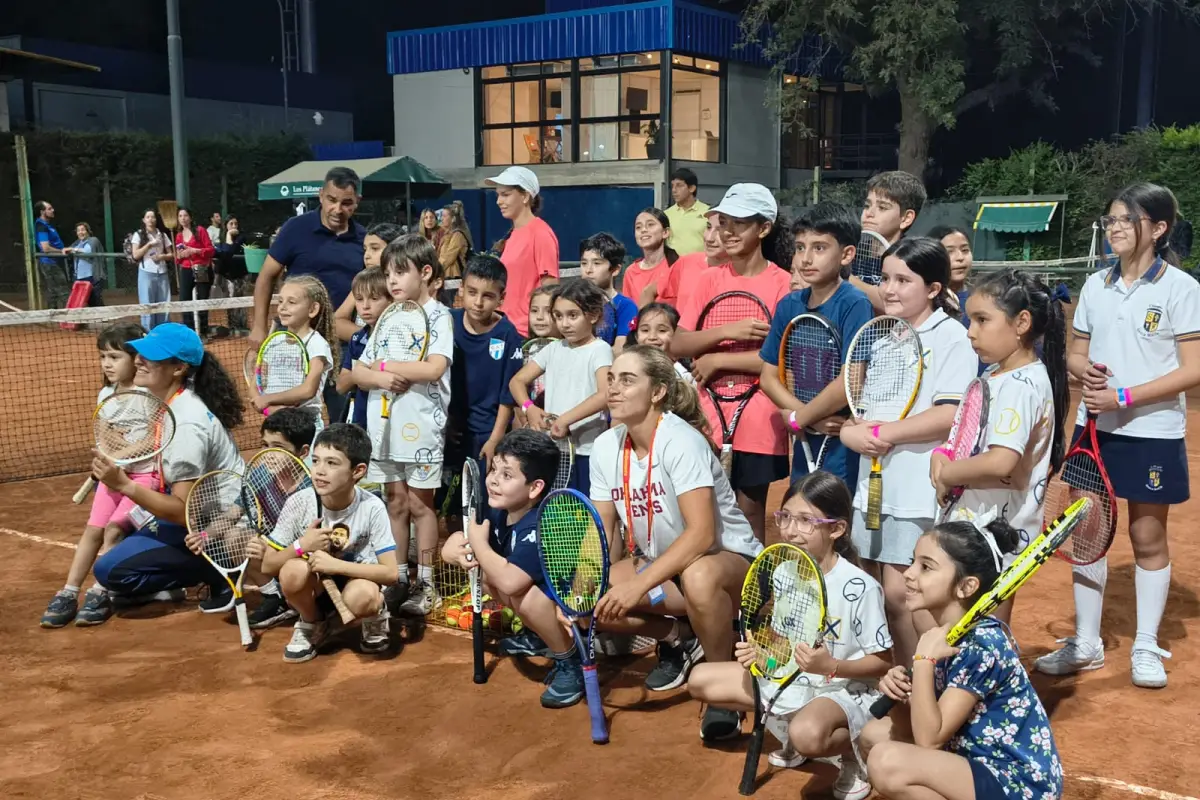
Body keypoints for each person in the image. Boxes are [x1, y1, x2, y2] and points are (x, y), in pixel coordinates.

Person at [1034, 182, 1200, 689]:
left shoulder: (1181, 288)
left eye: (1126, 220)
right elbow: (1075, 352)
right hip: (1094, 429)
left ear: (1159, 227)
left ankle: (1146, 645)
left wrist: (1124, 398)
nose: (1115, 229)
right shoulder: (1096, 286)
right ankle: (1087, 643)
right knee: (1086, 535)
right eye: (1110, 221)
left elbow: (1193, 369)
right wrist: (1086, 372)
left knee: (1147, 538)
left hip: (1151, 430)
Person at [588, 345, 762, 739]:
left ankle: (723, 691)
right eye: (612, 379)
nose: (613, 388)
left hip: (727, 564)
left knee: (699, 576)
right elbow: (601, 529)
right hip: (664, 566)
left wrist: (637, 585)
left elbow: (702, 535)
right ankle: (679, 637)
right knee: (586, 597)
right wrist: (584, 583)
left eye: (628, 380)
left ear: (658, 392)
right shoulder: (605, 447)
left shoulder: (680, 441)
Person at [689, 472, 891, 798]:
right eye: (785, 518)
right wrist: (763, 652)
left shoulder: (861, 587)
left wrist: (830, 666)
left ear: (836, 529)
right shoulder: (784, 571)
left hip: (844, 687)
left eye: (805, 521)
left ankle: (851, 754)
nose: (791, 530)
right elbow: (784, 640)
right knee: (699, 679)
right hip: (794, 677)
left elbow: (881, 664)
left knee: (808, 735)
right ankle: (790, 732)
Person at [839, 237, 977, 666]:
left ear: (934, 288)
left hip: (918, 489)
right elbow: (861, 415)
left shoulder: (953, 337)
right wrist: (851, 434)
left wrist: (885, 432)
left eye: (904, 279)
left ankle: (930, 681)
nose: (889, 289)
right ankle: (901, 680)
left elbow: (948, 415)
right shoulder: (885, 338)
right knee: (885, 593)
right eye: (884, 279)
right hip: (875, 485)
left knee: (907, 595)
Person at [861, 514, 1063, 800]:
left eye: (926, 567)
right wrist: (898, 695)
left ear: (966, 586)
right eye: (913, 561)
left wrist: (923, 662)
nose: (908, 573)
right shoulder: (944, 634)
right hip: (974, 756)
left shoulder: (981, 645)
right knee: (875, 735)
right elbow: (920, 724)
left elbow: (930, 739)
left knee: (886, 762)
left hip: (1016, 781)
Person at [933, 269, 1068, 618]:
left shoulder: (1020, 385)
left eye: (981, 320)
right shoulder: (996, 374)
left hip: (996, 538)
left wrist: (949, 473)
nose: (970, 331)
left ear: (1021, 322)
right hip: (976, 528)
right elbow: (968, 436)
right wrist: (942, 455)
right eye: (969, 320)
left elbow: (1000, 461)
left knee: (983, 633)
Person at [88, 324, 245, 622]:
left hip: (213, 523)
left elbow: (183, 511)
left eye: (151, 356)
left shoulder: (186, 424)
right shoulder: (167, 404)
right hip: (195, 511)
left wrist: (122, 484)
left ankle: (219, 569)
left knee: (110, 571)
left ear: (178, 368)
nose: (138, 360)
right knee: (123, 541)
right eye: (140, 352)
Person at [673, 183, 794, 543]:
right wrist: (728, 330)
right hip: (706, 413)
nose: (727, 232)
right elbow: (678, 341)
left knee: (749, 508)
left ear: (764, 228)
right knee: (704, 506)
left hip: (759, 413)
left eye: (739, 223)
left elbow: (779, 359)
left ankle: (751, 590)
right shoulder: (707, 279)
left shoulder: (783, 284)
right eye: (723, 222)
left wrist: (718, 360)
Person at [442, 429, 588, 707]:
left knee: (523, 593)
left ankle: (571, 660)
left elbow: (510, 582)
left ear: (534, 487)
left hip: (571, 611)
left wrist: (477, 544)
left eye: (507, 475)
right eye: (494, 470)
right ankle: (538, 635)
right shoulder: (500, 506)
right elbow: (465, 535)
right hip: (540, 600)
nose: (494, 481)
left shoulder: (542, 522)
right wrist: (452, 548)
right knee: (485, 576)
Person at [352, 235, 453, 616]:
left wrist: (382, 368)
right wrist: (378, 377)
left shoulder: (438, 315)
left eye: (400, 272)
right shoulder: (389, 316)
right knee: (394, 503)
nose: (391, 281)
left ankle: (427, 584)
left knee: (420, 505)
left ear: (425, 272)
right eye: (387, 273)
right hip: (383, 430)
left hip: (422, 431)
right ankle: (399, 578)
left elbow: (434, 368)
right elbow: (358, 371)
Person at [41, 323, 158, 628]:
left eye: (115, 356)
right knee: (93, 531)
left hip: (143, 481)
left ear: (136, 359)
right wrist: (124, 447)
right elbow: (105, 436)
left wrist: (124, 446)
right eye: (103, 356)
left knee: (113, 531)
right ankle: (68, 592)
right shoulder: (105, 395)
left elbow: (155, 440)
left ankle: (100, 590)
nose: (107, 363)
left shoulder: (150, 396)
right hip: (110, 477)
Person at [256, 424, 396, 662]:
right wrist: (301, 545)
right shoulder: (299, 502)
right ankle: (312, 622)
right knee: (291, 571)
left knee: (362, 597)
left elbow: (391, 572)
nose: (320, 471)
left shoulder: (372, 507)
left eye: (332, 463)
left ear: (358, 471)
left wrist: (335, 566)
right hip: (317, 585)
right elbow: (268, 566)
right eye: (316, 461)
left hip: (358, 580)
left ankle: (376, 614)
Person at [759, 203, 875, 489]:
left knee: (833, 520)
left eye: (819, 248)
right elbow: (768, 377)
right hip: (806, 438)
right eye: (800, 248)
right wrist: (807, 421)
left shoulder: (855, 303)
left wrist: (798, 418)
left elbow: (851, 380)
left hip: (842, 439)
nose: (806, 259)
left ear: (847, 254)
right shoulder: (789, 305)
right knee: (803, 514)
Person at [250, 167, 366, 424]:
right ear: (321, 195)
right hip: (293, 339)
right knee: (288, 416)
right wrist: (258, 326)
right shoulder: (295, 228)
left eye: (346, 203)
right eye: (332, 200)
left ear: (356, 202)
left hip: (340, 341)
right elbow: (266, 277)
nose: (338, 209)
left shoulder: (364, 240)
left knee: (342, 417)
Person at [509, 279, 613, 497]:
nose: (564, 323)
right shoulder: (553, 349)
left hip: (587, 451)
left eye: (572, 315)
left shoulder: (600, 349)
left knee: (585, 515)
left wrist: (566, 419)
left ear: (593, 316)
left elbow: (605, 394)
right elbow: (517, 382)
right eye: (558, 316)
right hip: (555, 451)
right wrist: (529, 407)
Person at [447, 255, 523, 498]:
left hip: (486, 433)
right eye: (472, 292)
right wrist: (445, 422)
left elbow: (507, 395)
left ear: (501, 297)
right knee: (448, 504)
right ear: (461, 289)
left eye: (488, 296)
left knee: (483, 502)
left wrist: (495, 439)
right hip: (449, 429)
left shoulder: (508, 335)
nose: (478, 302)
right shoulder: (446, 322)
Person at [248, 406, 318, 630]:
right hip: (274, 548)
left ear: (303, 452)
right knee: (238, 538)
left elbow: (312, 543)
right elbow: (234, 511)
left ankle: (305, 602)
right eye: (265, 445)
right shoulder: (260, 474)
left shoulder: (312, 488)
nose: (268, 454)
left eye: (278, 447)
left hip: (302, 555)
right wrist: (203, 535)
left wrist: (273, 551)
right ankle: (273, 597)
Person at [249, 275, 338, 448]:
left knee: (306, 474)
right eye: (281, 301)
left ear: (312, 309)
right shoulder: (273, 342)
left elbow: (308, 390)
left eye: (292, 302)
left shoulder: (316, 344)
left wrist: (268, 400)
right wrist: (267, 408)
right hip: (274, 427)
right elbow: (256, 384)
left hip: (304, 429)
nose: (282, 308)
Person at [487, 167, 560, 336]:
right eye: (498, 195)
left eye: (505, 194)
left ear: (525, 196)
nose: (498, 201)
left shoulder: (541, 233)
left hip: (525, 333)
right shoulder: (512, 235)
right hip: (504, 327)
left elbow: (550, 289)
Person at [850, 171, 927, 312]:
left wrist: (842, 278)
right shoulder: (850, 253)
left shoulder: (913, 260)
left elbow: (891, 305)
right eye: (867, 206)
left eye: (882, 208)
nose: (869, 213)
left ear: (906, 218)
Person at [337, 268, 391, 430]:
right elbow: (341, 386)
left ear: (391, 300)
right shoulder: (357, 339)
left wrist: (362, 375)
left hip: (389, 420)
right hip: (361, 421)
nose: (365, 306)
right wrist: (362, 374)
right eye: (359, 299)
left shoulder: (398, 338)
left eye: (374, 298)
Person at [579, 232, 638, 352]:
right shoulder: (573, 302)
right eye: (584, 263)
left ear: (615, 270)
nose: (588, 270)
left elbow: (620, 350)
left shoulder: (626, 306)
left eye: (597, 263)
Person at [660, 213, 728, 311]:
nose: (709, 238)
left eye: (719, 230)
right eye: (708, 227)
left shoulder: (741, 273)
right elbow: (649, 291)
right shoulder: (686, 263)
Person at [621, 208, 679, 308]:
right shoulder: (631, 272)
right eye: (638, 227)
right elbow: (630, 314)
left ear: (665, 232)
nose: (643, 230)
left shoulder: (678, 267)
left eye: (650, 225)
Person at [174, 208, 216, 337]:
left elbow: (211, 250)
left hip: (201, 268)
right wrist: (180, 256)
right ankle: (189, 331)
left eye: (185, 215)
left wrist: (195, 251)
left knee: (202, 299)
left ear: (190, 217)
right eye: (180, 216)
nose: (183, 218)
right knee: (184, 299)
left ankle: (203, 330)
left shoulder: (200, 230)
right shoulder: (178, 236)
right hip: (186, 269)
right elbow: (177, 258)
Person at [130, 209, 174, 330]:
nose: (150, 219)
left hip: (162, 272)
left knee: (164, 304)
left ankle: (163, 332)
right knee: (147, 305)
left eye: (153, 217)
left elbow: (171, 254)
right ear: (144, 220)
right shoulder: (138, 235)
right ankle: (148, 333)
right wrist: (149, 244)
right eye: (148, 217)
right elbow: (135, 255)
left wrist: (162, 257)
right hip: (146, 273)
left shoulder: (163, 235)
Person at [630, 302, 693, 385]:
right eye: (645, 330)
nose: (652, 337)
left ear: (676, 335)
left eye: (662, 330)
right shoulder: (629, 367)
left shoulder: (684, 374)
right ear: (636, 336)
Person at [927, 225, 973, 324]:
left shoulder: (980, 296)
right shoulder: (925, 301)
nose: (960, 258)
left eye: (965, 250)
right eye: (949, 252)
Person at [212, 215, 248, 337]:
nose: (234, 226)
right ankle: (232, 326)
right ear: (226, 225)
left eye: (235, 224)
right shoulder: (220, 240)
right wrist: (227, 237)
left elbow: (231, 250)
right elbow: (224, 254)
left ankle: (242, 326)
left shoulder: (242, 238)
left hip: (240, 274)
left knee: (241, 300)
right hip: (226, 276)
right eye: (231, 224)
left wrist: (230, 238)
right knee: (229, 300)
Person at [664, 167, 711, 256]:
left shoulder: (708, 213)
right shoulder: (667, 214)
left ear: (692, 188)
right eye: (672, 186)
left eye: (679, 185)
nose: (674, 190)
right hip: (674, 266)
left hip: (701, 266)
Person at [34, 200, 70, 308]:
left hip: (52, 262)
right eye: (49, 209)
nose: (52, 210)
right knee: (62, 291)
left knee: (53, 291)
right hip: (49, 263)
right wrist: (61, 251)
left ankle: (53, 317)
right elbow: (45, 248)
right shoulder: (41, 225)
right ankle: (69, 318)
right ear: (42, 212)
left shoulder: (47, 225)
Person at [66, 222, 105, 307]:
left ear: (88, 231)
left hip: (92, 276)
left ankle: (102, 317)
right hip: (79, 277)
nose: (80, 232)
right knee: (85, 301)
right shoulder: (77, 243)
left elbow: (87, 251)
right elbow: (68, 250)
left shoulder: (93, 240)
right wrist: (69, 249)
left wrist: (73, 249)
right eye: (78, 231)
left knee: (95, 300)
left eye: (83, 230)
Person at [437, 200, 473, 284]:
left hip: (453, 278)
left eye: (444, 216)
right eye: (442, 216)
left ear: (453, 219)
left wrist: (435, 271)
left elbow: (448, 257)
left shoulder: (457, 235)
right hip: (446, 276)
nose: (441, 219)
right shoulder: (447, 234)